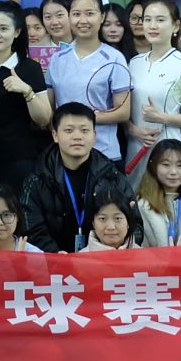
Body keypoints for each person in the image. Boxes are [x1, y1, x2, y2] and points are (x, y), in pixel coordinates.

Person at [20, 102, 123, 253]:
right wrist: (56, 256)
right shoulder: (37, 179)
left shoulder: (111, 174)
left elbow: (134, 224)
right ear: (55, 135)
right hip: (52, 261)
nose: (77, 137)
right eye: (69, 130)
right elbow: (31, 228)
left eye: (84, 130)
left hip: (101, 258)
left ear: (94, 135)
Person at [42, 0, 132, 162]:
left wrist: (78, 121)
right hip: (64, 154)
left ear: (102, 17)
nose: (82, 20)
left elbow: (123, 112)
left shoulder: (114, 58)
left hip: (104, 153)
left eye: (89, 14)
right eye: (76, 14)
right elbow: (49, 109)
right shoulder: (57, 59)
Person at [0, 1, 50, 182]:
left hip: (19, 161)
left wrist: (27, 91)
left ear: (17, 32)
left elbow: (44, 119)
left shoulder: (29, 68)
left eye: (3, 29)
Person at [124, 0, 181, 180]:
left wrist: (161, 117)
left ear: (175, 26)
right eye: (147, 19)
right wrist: (134, 130)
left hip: (168, 151)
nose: (152, 25)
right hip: (135, 148)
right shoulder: (133, 63)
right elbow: (124, 110)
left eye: (160, 20)